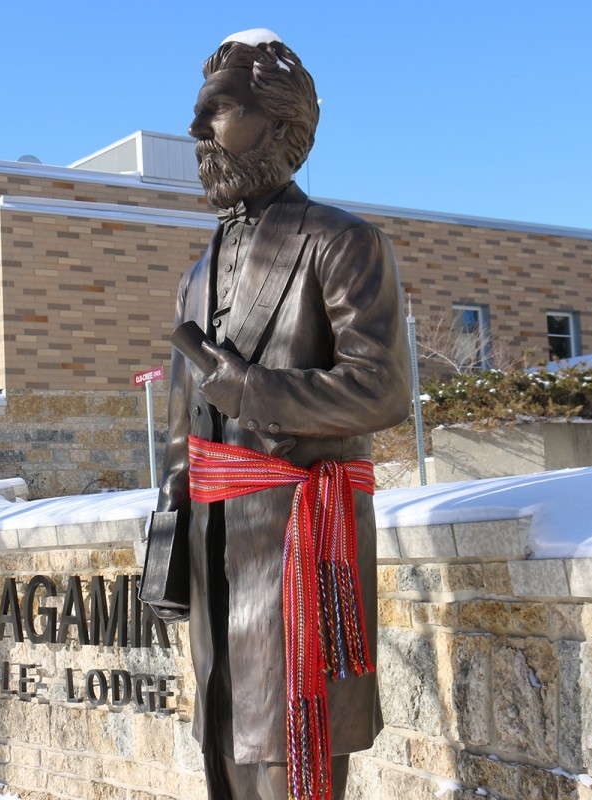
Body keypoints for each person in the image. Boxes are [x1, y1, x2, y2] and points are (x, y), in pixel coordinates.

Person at [149, 29, 411, 800]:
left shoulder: (344, 243)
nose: (198, 133)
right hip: (210, 553)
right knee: (223, 752)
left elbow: (383, 390)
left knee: (293, 758)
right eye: (198, 116)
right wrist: (168, 529)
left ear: (283, 126)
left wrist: (256, 391)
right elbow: (180, 429)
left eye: (219, 112)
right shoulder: (195, 272)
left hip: (301, 546)